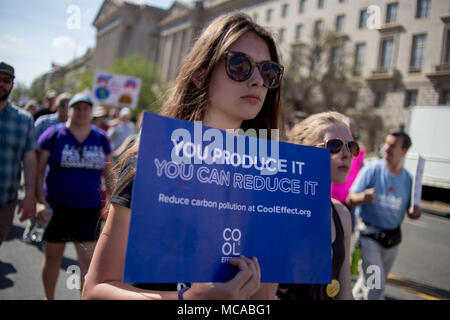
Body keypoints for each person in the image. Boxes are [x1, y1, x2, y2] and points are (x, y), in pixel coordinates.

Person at [82, 12, 284, 300]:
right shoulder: (151, 162)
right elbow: (93, 291)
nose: (257, 81)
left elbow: (261, 299)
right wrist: (189, 301)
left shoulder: (270, 180)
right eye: (239, 65)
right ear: (201, 75)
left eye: (268, 71)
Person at [35, 92, 113, 299]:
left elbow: (110, 173)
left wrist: (112, 205)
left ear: (91, 112)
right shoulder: (53, 134)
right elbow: (38, 170)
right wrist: (40, 202)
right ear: (69, 110)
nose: (81, 112)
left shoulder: (100, 137)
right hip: (57, 207)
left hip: (89, 210)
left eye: (85, 108)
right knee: (53, 258)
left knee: (87, 265)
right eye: (76, 108)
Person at [276, 111, 356, 300]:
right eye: (334, 146)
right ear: (304, 150)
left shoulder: (341, 213)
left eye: (351, 146)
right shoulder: (279, 210)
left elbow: (345, 293)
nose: (346, 155)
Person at [348, 131, 421, 300]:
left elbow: (413, 212)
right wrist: (363, 197)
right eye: (386, 144)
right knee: (375, 285)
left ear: (404, 151)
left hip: (392, 241)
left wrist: (415, 212)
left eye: (392, 146)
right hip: (369, 237)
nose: (386, 148)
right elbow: (350, 198)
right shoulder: (372, 169)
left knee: (368, 282)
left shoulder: (408, 179)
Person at [22, 92, 72, 243]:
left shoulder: (74, 127)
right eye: (66, 106)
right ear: (58, 106)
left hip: (56, 176)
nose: (68, 109)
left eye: (71, 106)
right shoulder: (43, 122)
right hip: (37, 170)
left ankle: (42, 234)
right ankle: (30, 228)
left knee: (49, 207)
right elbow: (29, 143)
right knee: (33, 201)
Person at [0, 61, 38, 246]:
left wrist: (30, 195)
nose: (1, 84)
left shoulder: (24, 120)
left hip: (5, 200)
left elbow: (30, 159)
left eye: (6, 80)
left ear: (12, 85)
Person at [331, 118, 365, 232]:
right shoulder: (335, 149)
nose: (353, 137)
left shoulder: (358, 152)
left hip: (348, 201)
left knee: (346, 235)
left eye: (355, 135)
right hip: (333, 198)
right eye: (350, 133)